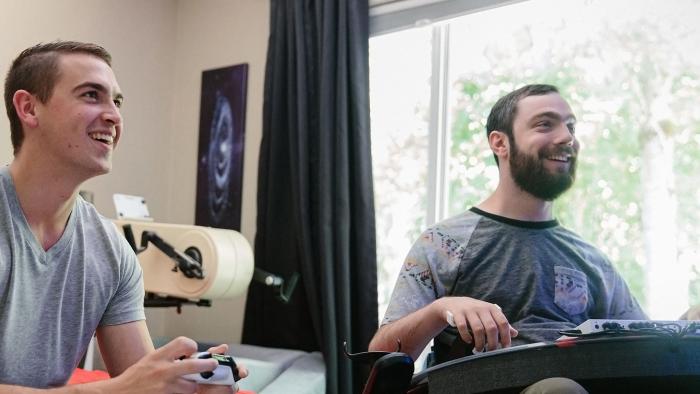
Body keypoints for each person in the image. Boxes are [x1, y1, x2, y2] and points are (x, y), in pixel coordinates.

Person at [368, 84, 649, 393]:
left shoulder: (592, 260)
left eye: (571, 126)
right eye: (545, 124)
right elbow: (379, 359)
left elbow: (650, 346)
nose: (567, 137)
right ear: (500, 143)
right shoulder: (443, 243)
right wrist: (440, 309)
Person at [0, 41, 247, 392]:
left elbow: (140, 382)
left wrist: (187, 384)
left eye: (116, 101)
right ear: (29, 108)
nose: (114, 116)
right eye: (90, 95)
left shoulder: (111, 251)